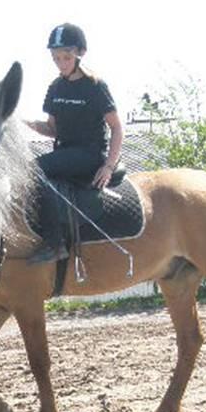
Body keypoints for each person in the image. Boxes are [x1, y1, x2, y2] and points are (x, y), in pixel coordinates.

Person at [26, 23, 123, 263]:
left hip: (90, 155)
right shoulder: (55, 88)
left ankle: (55, 243)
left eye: (66, 57)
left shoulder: (96, 87)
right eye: (56, 58)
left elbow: (117, 128)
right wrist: (23, 123)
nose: (61, 63)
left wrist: (109, 165)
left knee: (33, 169)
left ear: (80, 53)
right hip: (66, 154)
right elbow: (52, 129)